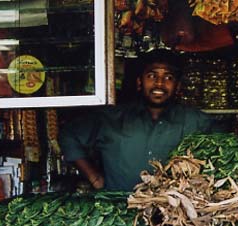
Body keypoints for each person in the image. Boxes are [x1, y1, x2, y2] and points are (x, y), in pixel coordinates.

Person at [59, 48, 228, 192]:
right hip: (118, 214)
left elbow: (226, 150)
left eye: (168, 77)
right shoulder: (111, 118)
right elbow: (68, 135)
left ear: (177, 87)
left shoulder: (197, 122)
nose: (159, 84)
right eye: (152, 75)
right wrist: (94, 177)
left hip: (176, 218)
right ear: (140, 82)